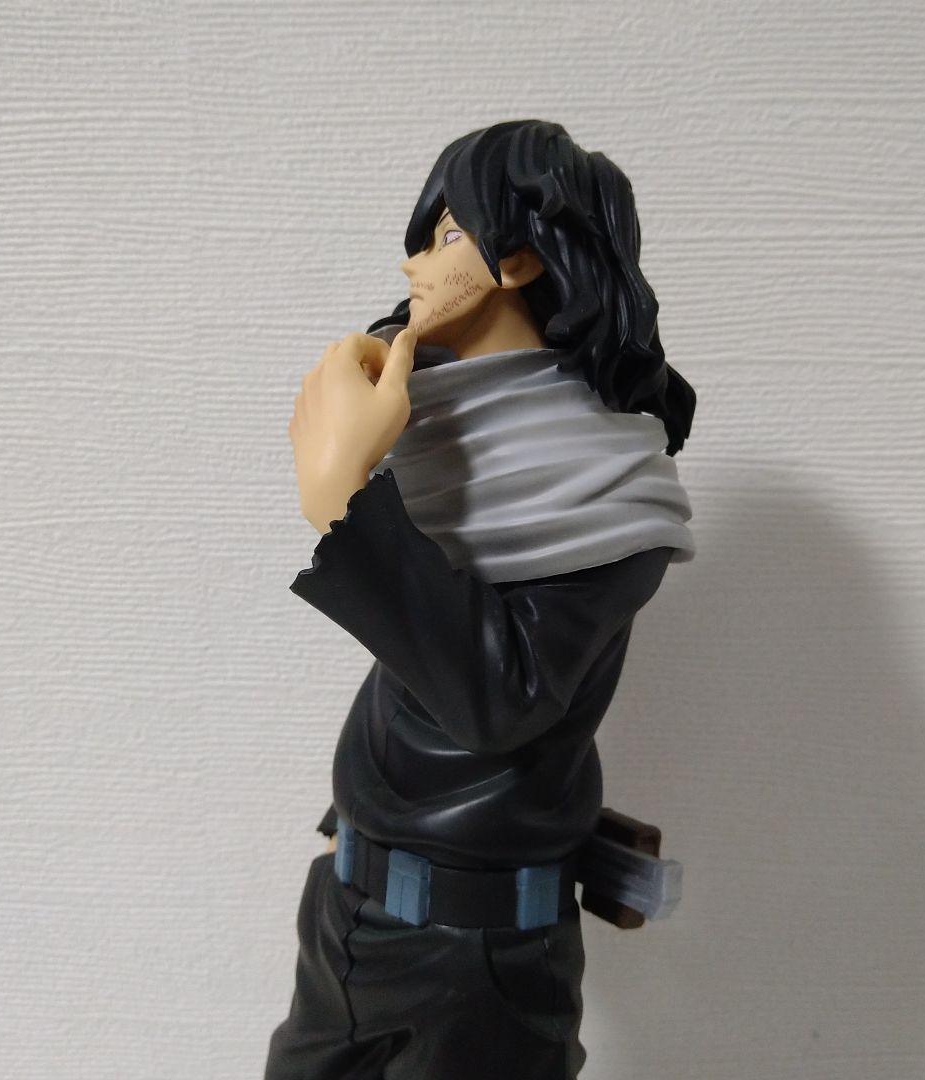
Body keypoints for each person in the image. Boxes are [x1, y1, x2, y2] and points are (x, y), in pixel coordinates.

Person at [265, 119, 696, 1080]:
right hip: (349, 916)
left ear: (519, 258)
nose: (414, 262)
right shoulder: (438, 443)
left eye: (446, 235)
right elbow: (413, 669)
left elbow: (498, 701)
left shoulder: (606, 493)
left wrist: (344, 502)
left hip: (477, 957)